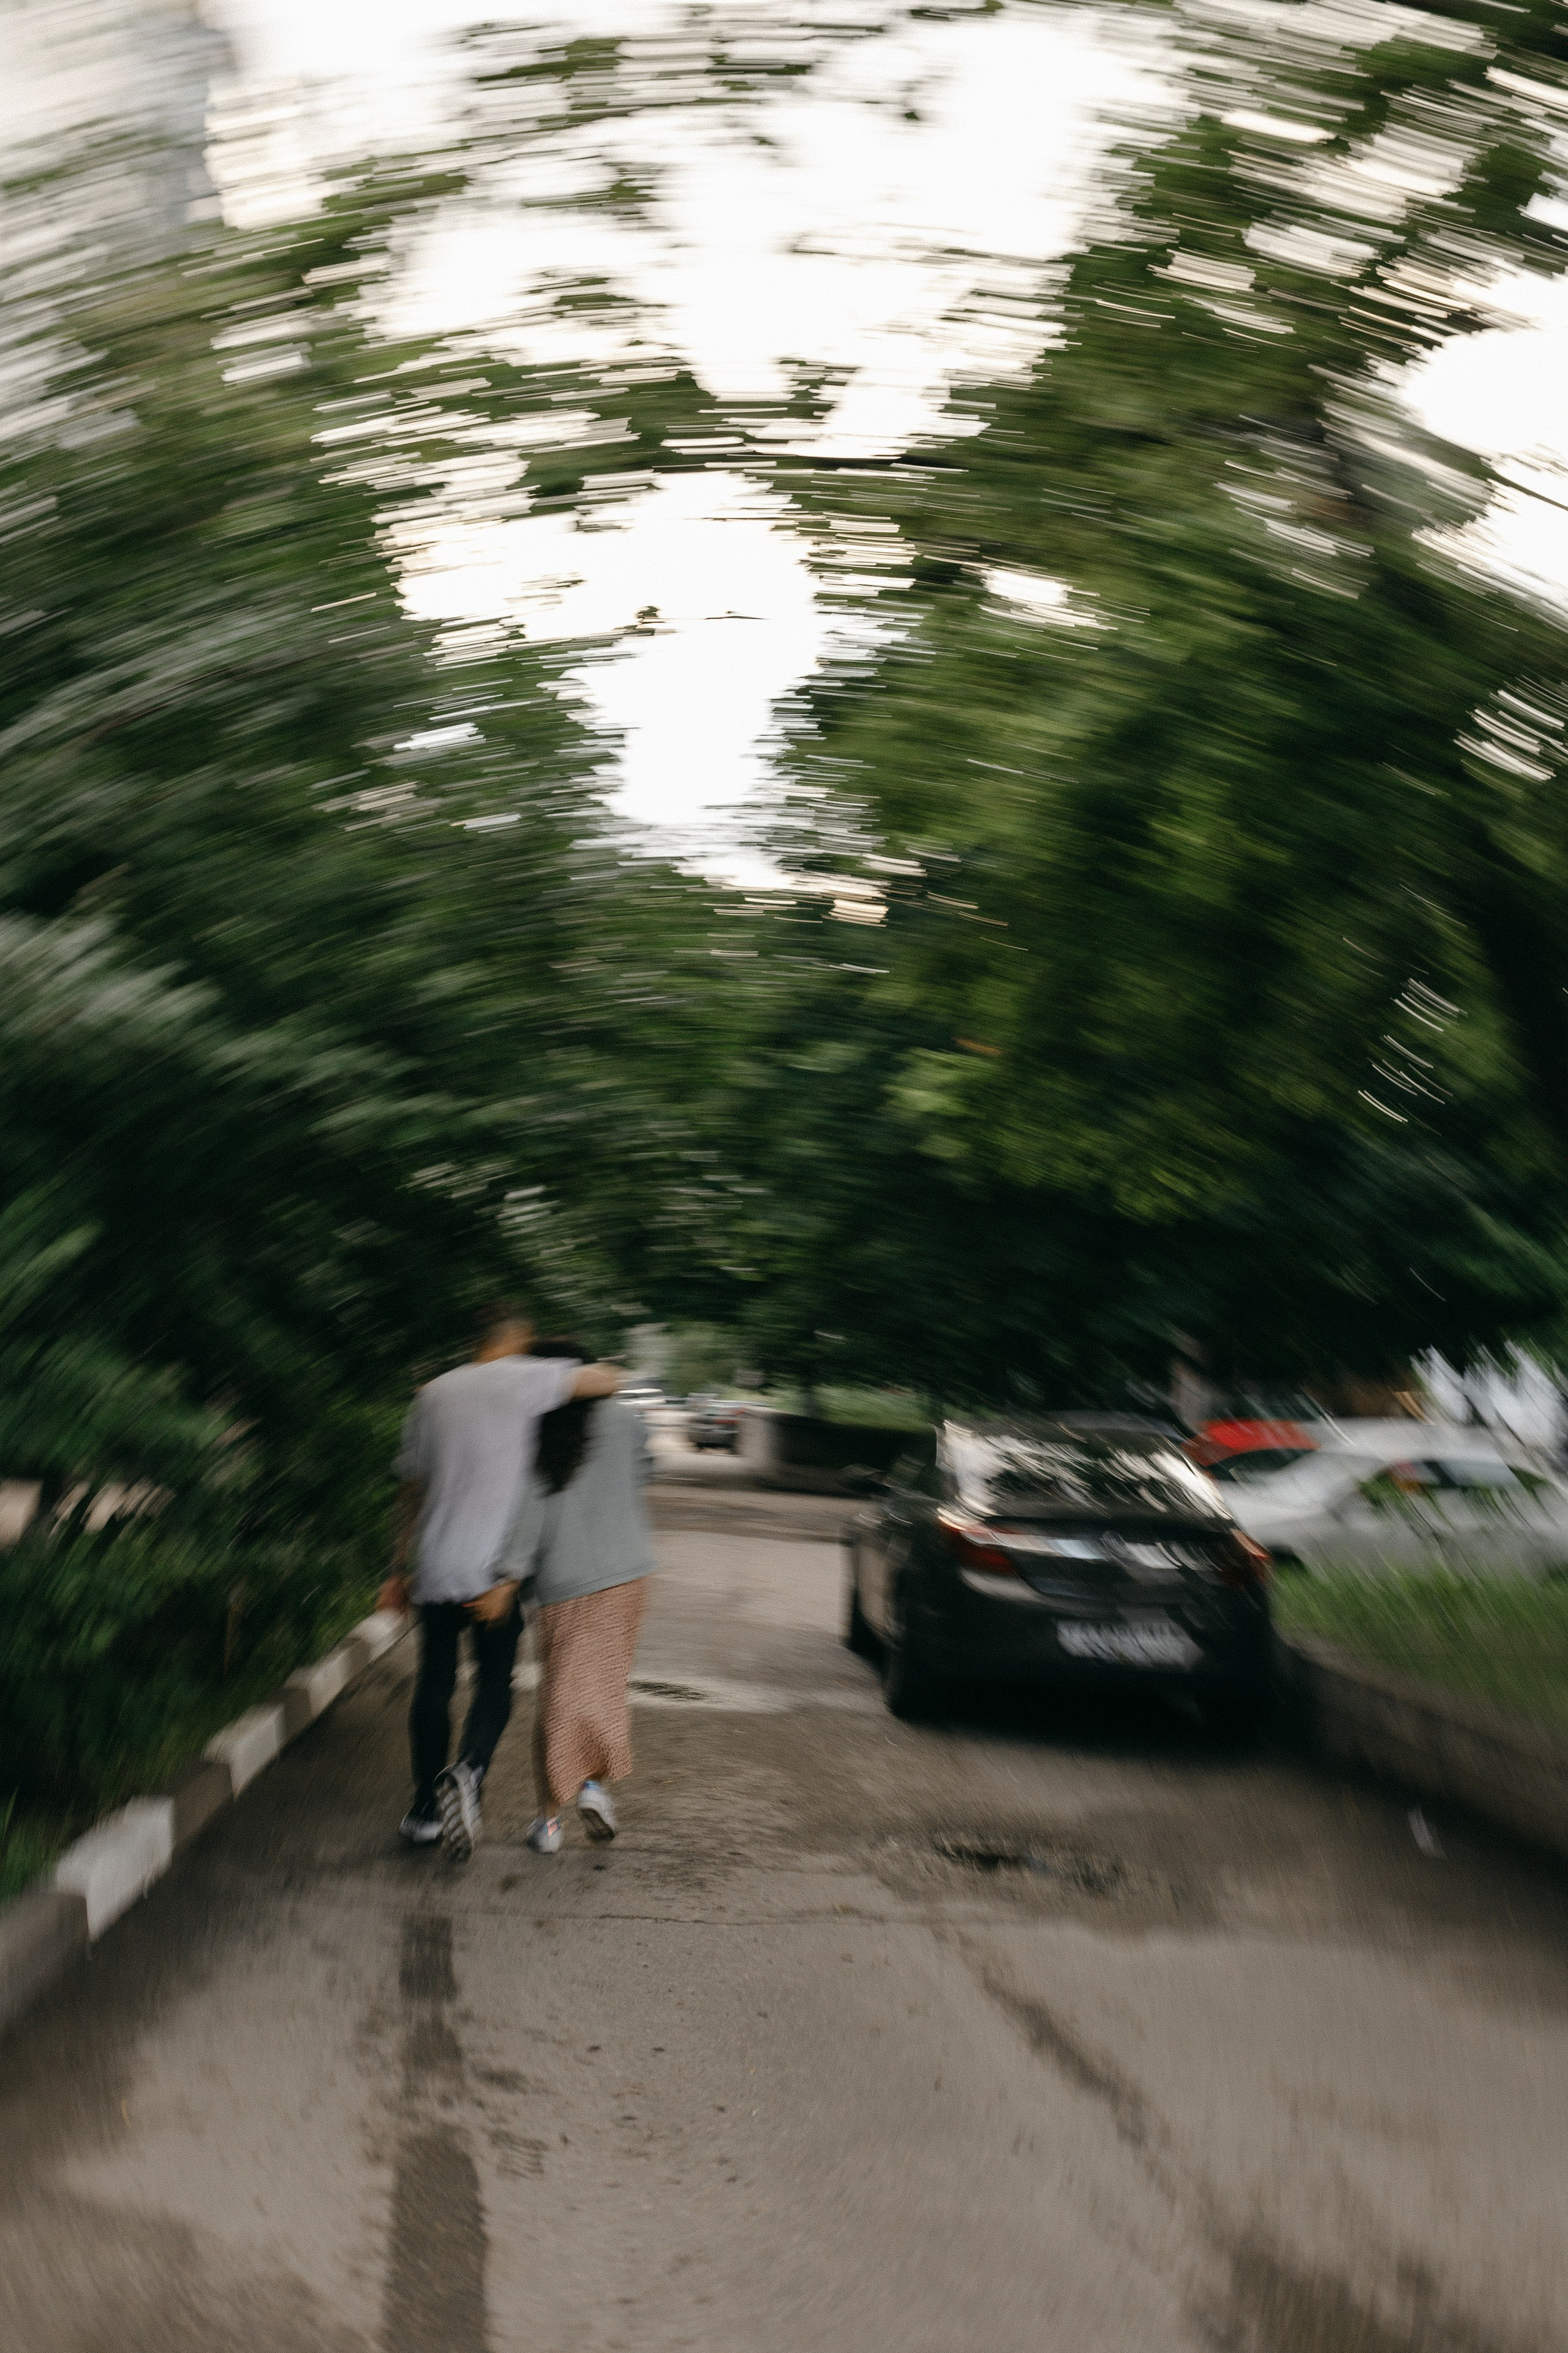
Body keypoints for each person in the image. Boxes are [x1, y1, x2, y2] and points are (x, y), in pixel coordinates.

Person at [380, 1301, 620, 1859]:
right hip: (497, 1575)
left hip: (437, 1567)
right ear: (515, 1338)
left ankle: (423, 1811)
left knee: (435, 1683)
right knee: (494, 1685)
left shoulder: (433, 1394)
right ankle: (468, 1774)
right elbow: (607, 1379)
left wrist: (396, 1570)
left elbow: (408, 1492)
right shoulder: (523, 1378)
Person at [502, 1339, 657, 1854]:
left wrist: (509, 1572)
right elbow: (644, 1472)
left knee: (559, 1697)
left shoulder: (542, 1429)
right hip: (627, 1576)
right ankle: (593, 1789)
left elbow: (530, 1510)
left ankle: (548, 1823)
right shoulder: (627, 1422)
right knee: (603, 1689)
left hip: (564, 1584)